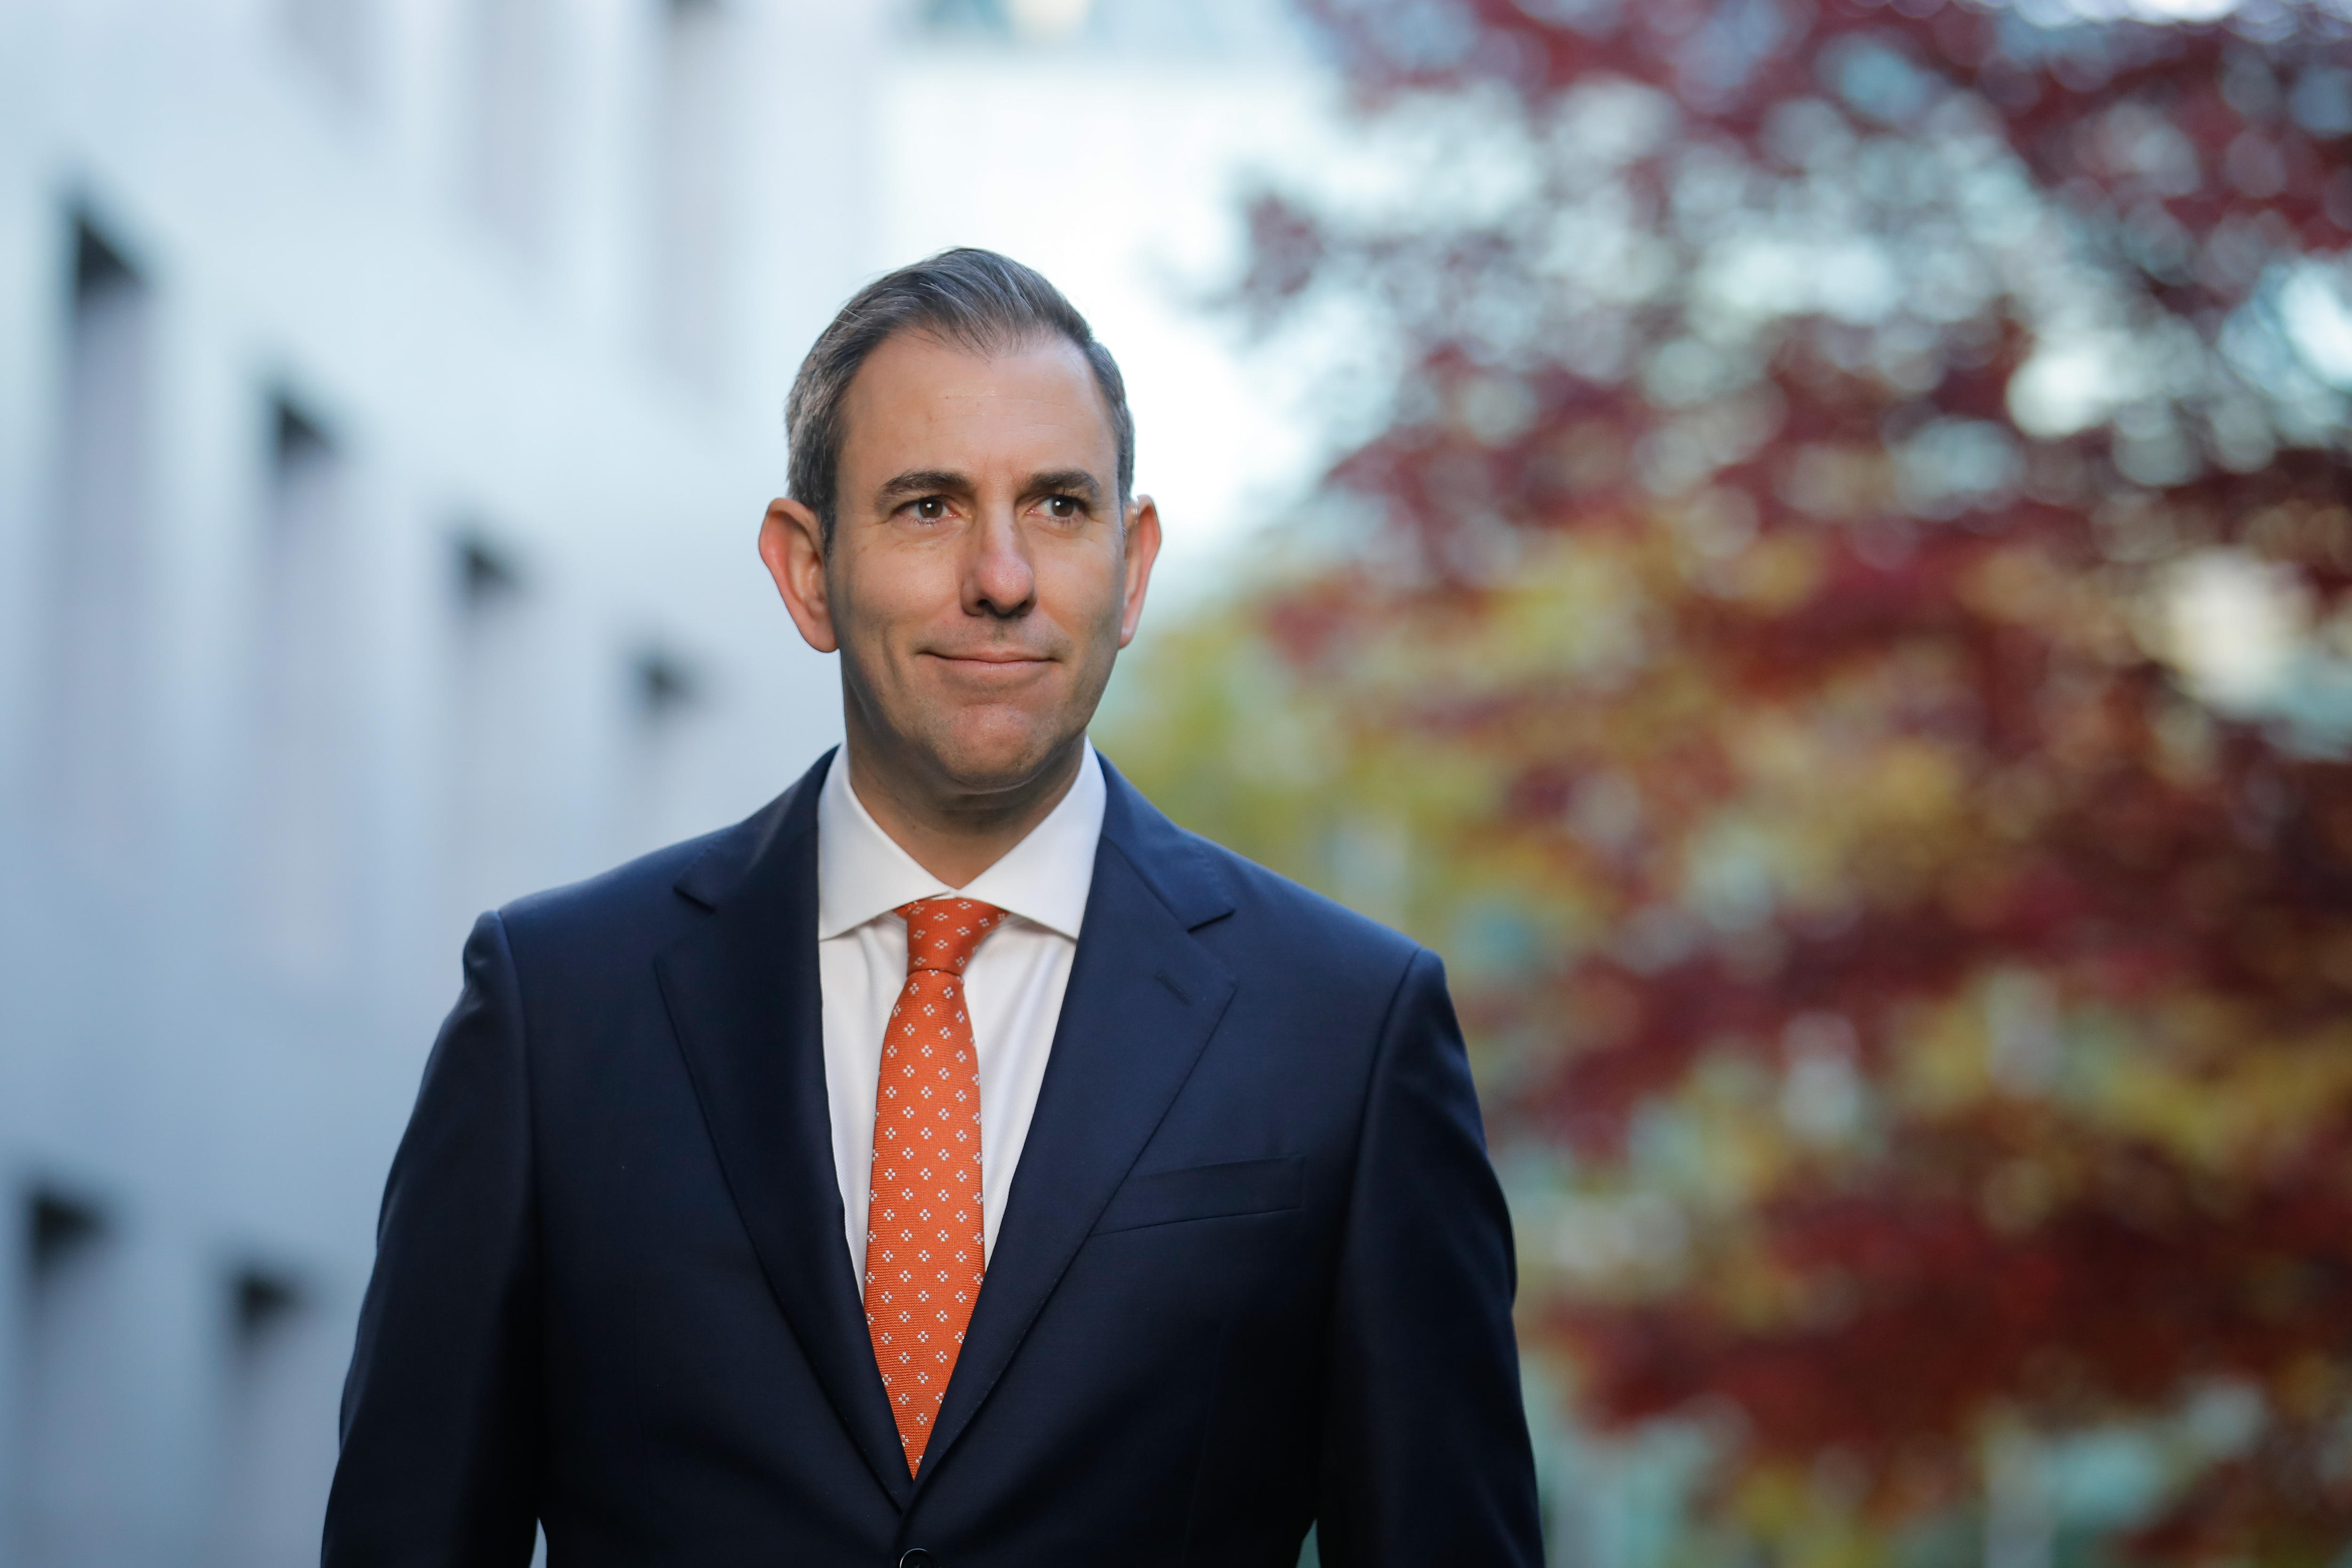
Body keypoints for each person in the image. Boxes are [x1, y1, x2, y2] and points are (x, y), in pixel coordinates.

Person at [323, 248, 1541, 1567]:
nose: (1004, 577)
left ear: (1130, 571)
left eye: (1061, 506)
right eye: (927, 507)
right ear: (806, 570)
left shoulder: (1346, 1033)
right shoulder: (555, 1011)